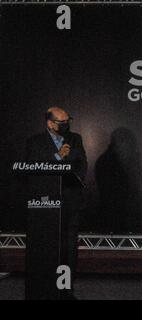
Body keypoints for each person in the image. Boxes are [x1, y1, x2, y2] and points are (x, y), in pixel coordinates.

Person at [25, 107, 87, 299]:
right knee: (46, 246)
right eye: (62, 123)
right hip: (45, 205)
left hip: (70, 202)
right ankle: (45, 288)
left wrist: (72, 175)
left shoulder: (75, 139)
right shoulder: (35, 142)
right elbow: (32, 169)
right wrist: (58, 157)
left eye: (68, 121)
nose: (66, 125)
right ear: (50, 123)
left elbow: (82, 166)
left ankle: (67, 290)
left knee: (69, 247)